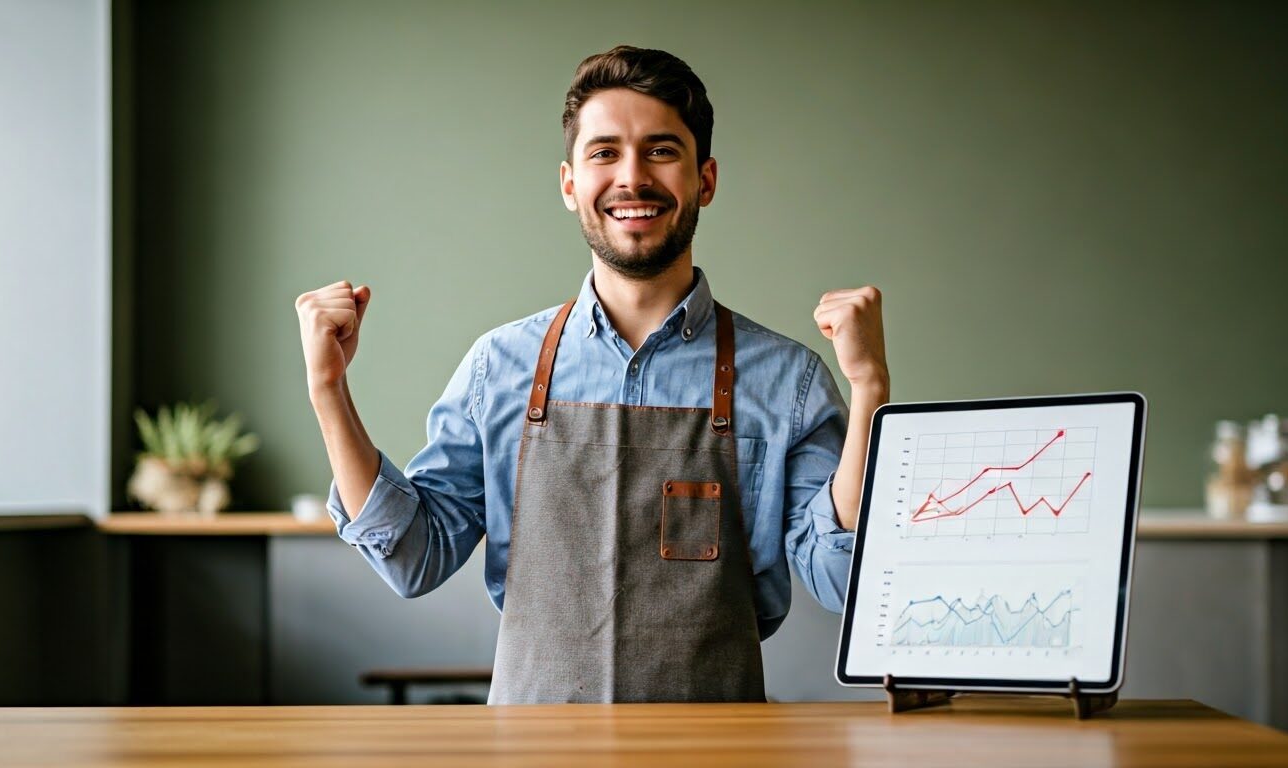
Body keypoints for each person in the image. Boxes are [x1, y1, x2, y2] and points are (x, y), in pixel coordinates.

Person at [294, 45, 888, 704]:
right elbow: (414, 557)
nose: (631, 177)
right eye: (604, 153)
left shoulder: (787, 380)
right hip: (533, 749)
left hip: (717, 749)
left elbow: (842, 580)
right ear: (570, 183)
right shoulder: (500, 367)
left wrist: (869, 391)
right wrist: (329, 390)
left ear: (706, 180)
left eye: (661, 150)